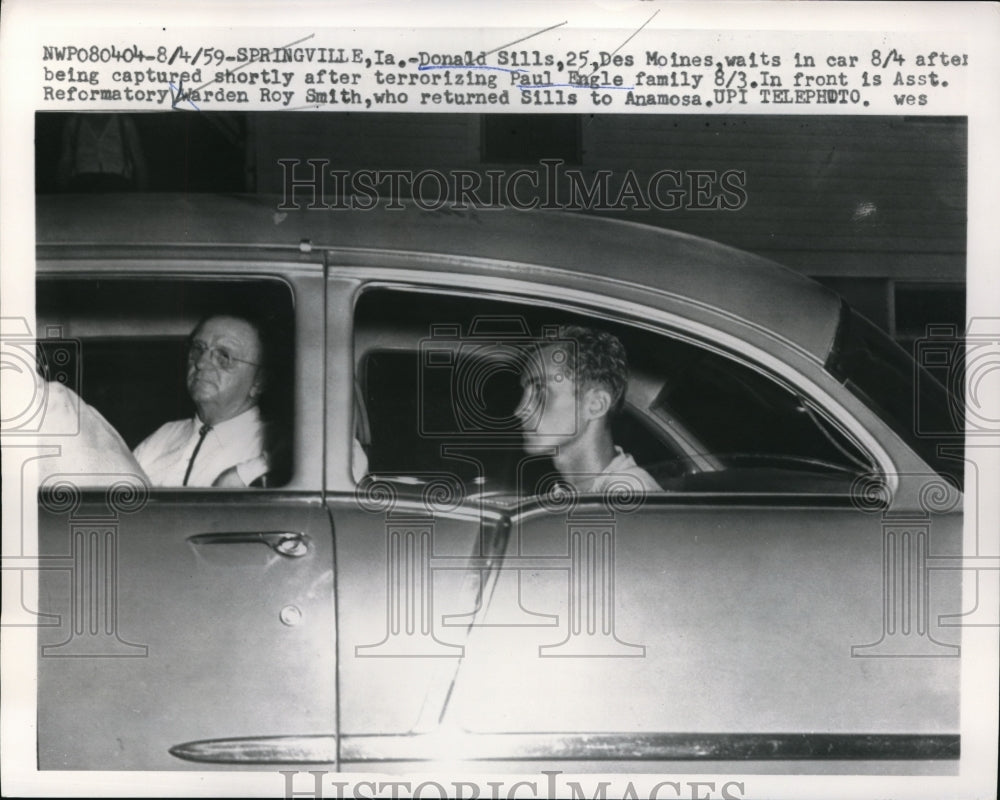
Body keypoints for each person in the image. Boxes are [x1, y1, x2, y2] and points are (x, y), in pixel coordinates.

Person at [516, 324, 661, 494]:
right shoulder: (573, 494)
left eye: (541, 391)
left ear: (595, 405)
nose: (520, 409)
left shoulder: (629, 496)